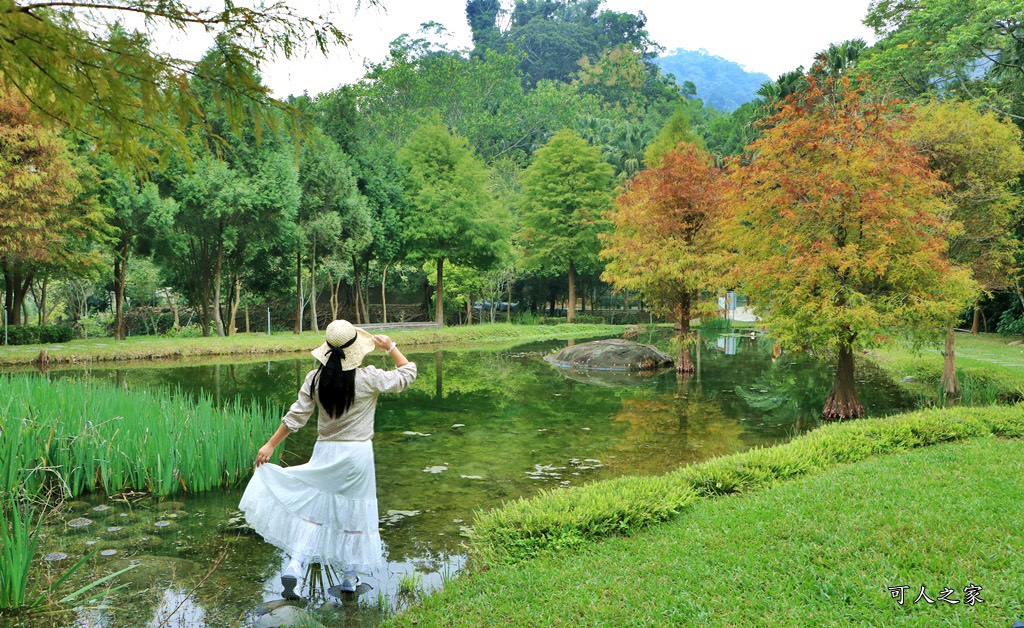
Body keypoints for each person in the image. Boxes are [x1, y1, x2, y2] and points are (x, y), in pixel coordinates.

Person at [238, 319, 417, 599]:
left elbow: (295, 417)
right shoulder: (369, 377)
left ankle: (295, 567)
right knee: (355, 515)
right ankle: (348, 579)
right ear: (356, 349)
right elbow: (408, 373)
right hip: (357, 456)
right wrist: (390, 346)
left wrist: (270, 445)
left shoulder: (315, 379)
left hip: (325, 452)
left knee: (314, 514)